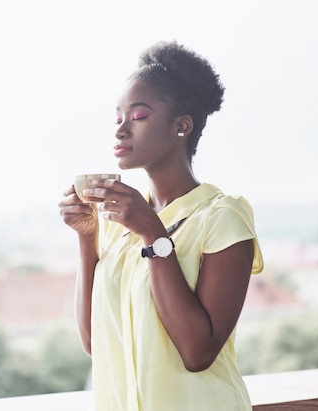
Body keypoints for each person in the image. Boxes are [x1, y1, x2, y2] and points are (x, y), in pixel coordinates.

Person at [58, 40, 264, 411]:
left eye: (137, 117)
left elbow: (197, 352)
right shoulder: (120, 220)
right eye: (117, 117)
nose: (121, 130)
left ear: (181, 126)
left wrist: (154, 235)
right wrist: (87, 237)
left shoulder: (221, 218)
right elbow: (94, 342)